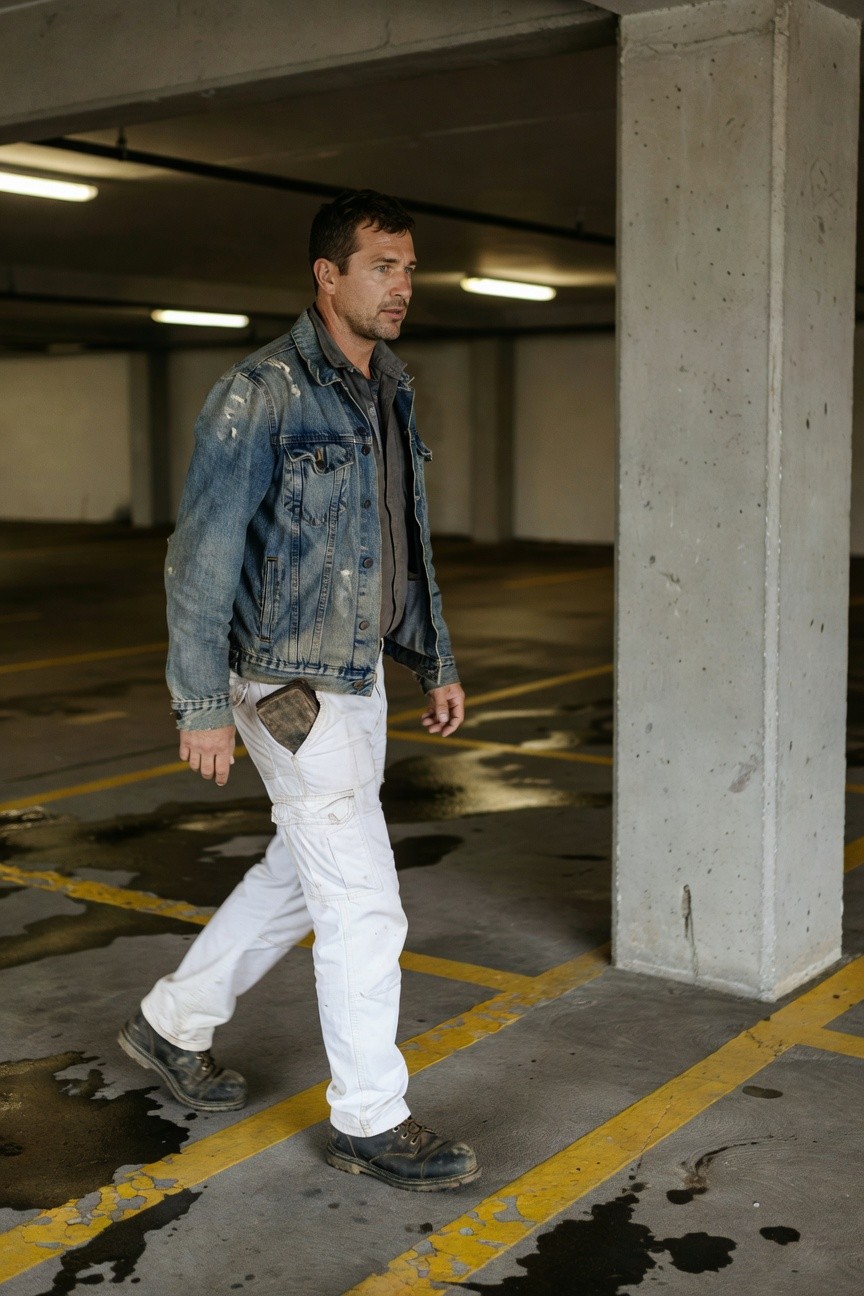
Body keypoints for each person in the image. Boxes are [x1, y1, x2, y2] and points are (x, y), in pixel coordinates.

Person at [118, 189, 479, 1193]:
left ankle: (170, 1024)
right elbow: (200, 560)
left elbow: (400, 546)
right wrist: (199, 705)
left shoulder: (387, 390)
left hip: (356, 677)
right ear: (328, 275)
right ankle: (370, 1118)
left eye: (410, 269)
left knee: (299, 872)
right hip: (286, 688)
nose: (402, 286)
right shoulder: (262, 391)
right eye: (382, 267)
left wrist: (434, 657)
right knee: (363, 905)